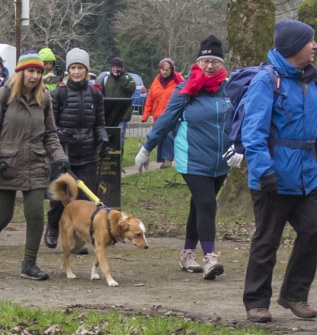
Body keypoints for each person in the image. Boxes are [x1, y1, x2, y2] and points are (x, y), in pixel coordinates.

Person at [239, 20, 317, 323]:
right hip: (274, 176)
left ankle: (294, 294)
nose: (315, 46)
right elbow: (252, 132)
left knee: (313, 229)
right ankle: (256, 301)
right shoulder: (266, 81)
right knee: (267, 239)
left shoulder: (314, 81)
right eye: (310, 41)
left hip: (307, 176)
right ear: (295, 46)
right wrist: (263, 171)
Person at [133, 35, 233, 281]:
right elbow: (166, 118)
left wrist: (241, 147)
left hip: (221, 159)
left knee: (199, 205)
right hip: (192, 157)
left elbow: (242, 118)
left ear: (222, 64)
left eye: (215, 61)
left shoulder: (230, 88)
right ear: (197, 62)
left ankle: (187, 253)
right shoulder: (187, 87)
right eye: (205, 60)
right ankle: (210, 258)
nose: (209, 66)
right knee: (208, 203)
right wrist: (147, 147)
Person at [0, 51, 69, 280]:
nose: (35, 76)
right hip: (6, 164)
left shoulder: (44, 99)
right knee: (3, 215)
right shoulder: (4, 95)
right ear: (20, 72)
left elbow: (50, 134)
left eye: (39, 72)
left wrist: (60, 157)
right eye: (31, 71)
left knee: (35, 215)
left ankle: (29, 264)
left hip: (37, 164)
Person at [43, 48, 111, 251]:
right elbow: (51, 127)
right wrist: (58, 148)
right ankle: (53, 227)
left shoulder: (96, 95)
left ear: (87, 70)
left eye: (80, 67)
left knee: (84, 199)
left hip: (88, 153)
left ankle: (79, 237)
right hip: (64, 153)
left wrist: (103, 140)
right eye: (73, 67)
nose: (76, 72)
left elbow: (99, 123)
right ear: (68, 70)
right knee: (60, 198)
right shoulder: (58, 94)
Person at [142, 58, 184, 169]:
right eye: (162, 70)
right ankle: (162, 159)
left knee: (169, 136)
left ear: (171, 70)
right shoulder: (156, 82)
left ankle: (168, 160)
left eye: (167, 70)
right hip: (158, 116)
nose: (164, 72)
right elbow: (150, 99)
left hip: (172, 115)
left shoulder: (179, 81)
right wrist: (145, 115)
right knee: (159, 137)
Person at [98, 57, 135, 144]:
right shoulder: (106, 78)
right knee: (107, 135)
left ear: (121, 68)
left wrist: (121, 78)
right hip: (108, 112)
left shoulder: (128, 78)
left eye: (118, 67)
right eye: (113, 67)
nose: (115, 69)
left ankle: (119, 155)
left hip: (123, 113)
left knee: (120, 134)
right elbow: (99, 91)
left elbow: (131, 89)